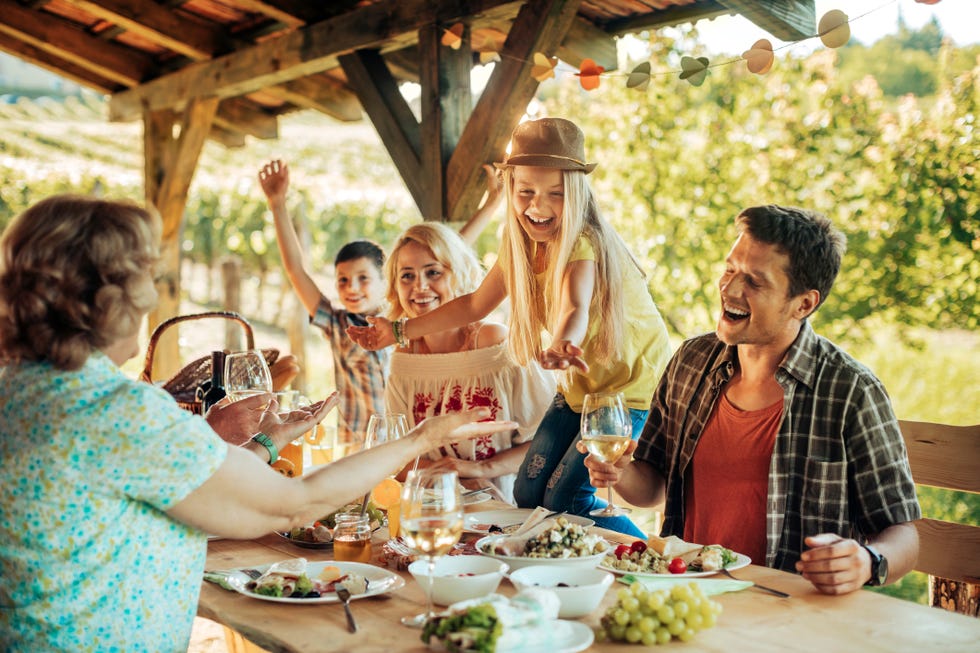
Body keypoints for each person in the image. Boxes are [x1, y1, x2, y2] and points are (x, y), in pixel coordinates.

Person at [0, 194, 518, 652]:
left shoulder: (17, 392)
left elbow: (177, 492)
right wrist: (423, 438)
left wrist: (268, 441)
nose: (152, 297)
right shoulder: (116, 412)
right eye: (144, 278)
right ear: (105, 298)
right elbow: (298, 504)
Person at [349, 118, 672, 536]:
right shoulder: (519, 245)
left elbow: (576, 304)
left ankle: (644, 561)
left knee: (567, 499)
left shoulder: (582, 241)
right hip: (580, 389)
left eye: (555, 194)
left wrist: (563, 342)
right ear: (512, 190)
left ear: (574, 193)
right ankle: (560, 565)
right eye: (526, 193)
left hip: (630, 388)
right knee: (528, 490)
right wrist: (398, 332)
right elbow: (475, 304)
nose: (538, 206)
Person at [582, 205, 921, 595]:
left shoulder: (851, 392)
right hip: (685, 593)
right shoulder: (691, 362)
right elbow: (652, 489)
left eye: (754, 282)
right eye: (730, 269)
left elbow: (904, 534)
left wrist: (867, 561)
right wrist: (620, 471)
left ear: (804, 304)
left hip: (788, 608)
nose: (730, 289)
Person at [258, 159, 502, 449]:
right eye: (343, 281)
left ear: (385, 280)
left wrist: (490, 205)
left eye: (363, 278)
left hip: (403, 444)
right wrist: (277, 205)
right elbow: (296, 270)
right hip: (357, 447)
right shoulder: (339, 325)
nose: (353, 288)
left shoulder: (402, 321)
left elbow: (449, 250)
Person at [383, 222, 554, 503]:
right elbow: (396, 460)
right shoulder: (404, 360)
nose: (420, 287)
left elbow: (549, 439)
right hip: (430, 512)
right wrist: (453, 476)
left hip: (506, 509)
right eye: (407, 276)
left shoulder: (495, 344)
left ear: (459, 274)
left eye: (433, 272)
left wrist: (480, 469)